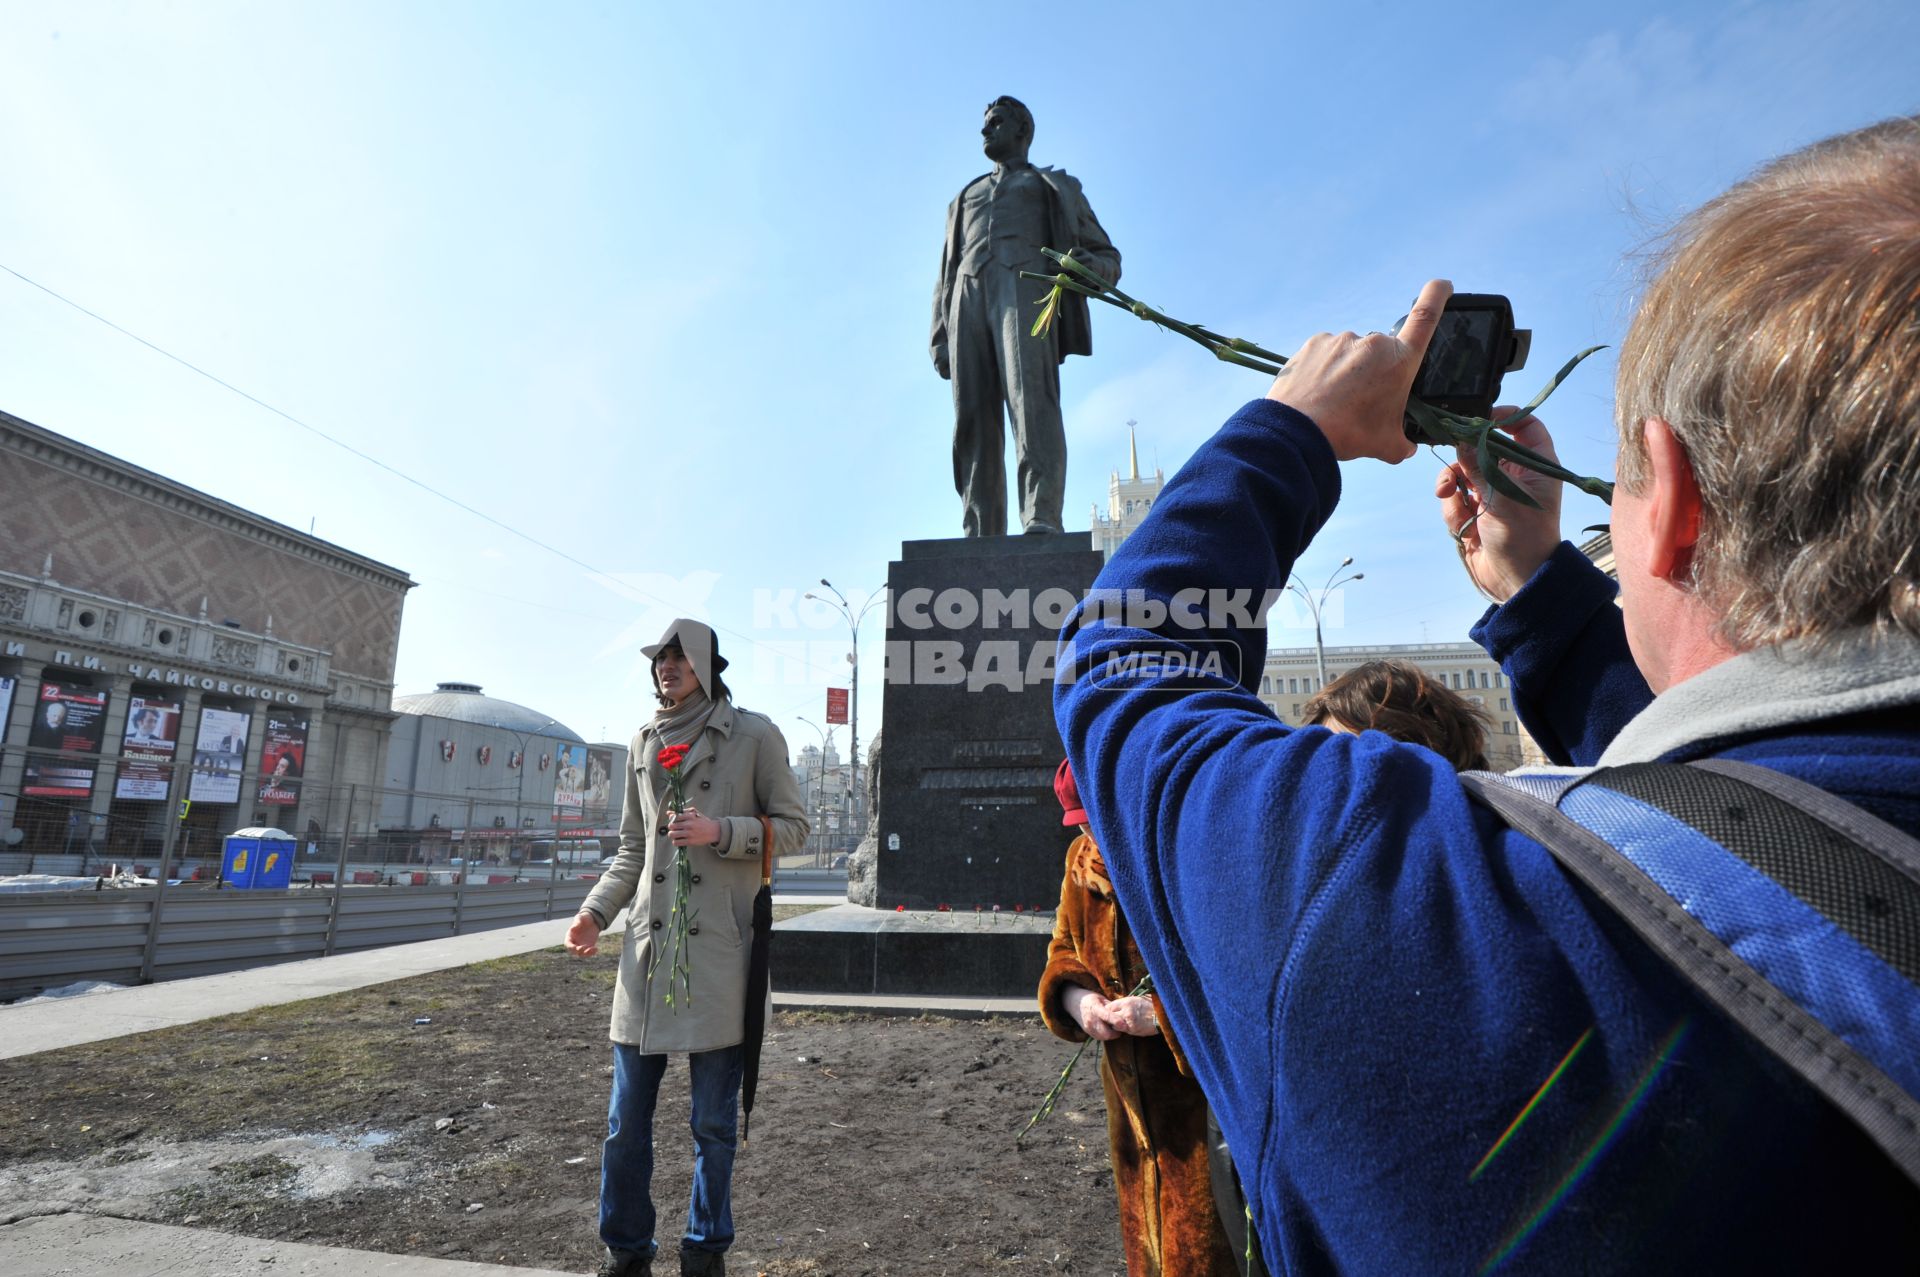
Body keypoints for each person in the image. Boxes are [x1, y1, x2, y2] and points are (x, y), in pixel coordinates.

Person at [1055, 115, 1920, 1273]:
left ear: (1661, 503)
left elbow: (1124, 669)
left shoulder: (1402, 899)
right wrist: (1547, 605)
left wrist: (1291, 427)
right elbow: (1744, 823)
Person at [566, 618, 808, 1277]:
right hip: (647, 955)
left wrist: (719, 830)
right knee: (624, 1125)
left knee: (712, 1125)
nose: (665, 666)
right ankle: (625, 1250)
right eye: (659, 658)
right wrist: (595, 912)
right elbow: (633, 849)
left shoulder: (753, 735)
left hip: (720, 955)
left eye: (678, 656)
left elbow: (796, 828)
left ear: (706, 663)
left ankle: (704, 1252)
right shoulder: (644, 739)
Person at [1037, 759, 1237, 1277]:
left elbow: (1236, 969)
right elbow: (1063, 948)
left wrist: (1162, 1015)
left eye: (1093, 817)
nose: (1086, 831)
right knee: (1147, 1232)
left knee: (1209, 1237)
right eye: (1075, 821)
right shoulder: (1082, 860)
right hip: (1127, 1095)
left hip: (1200, 1091)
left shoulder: (1186, 856)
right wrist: (1077, 1000)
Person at [932, 95, 1122, 536]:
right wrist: (940, 333)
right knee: (972, 417)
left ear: (1022, 131)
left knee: (1031, 402)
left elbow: (1106, 256)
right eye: (985, 123)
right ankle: (980, 526)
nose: (985, 130)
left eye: (996, 122)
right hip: (968, 298)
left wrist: (1084, 270)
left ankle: (1041, 515)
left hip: (1027, 291)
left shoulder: (1056, 188)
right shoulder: (963, 198)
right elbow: (944, 273)